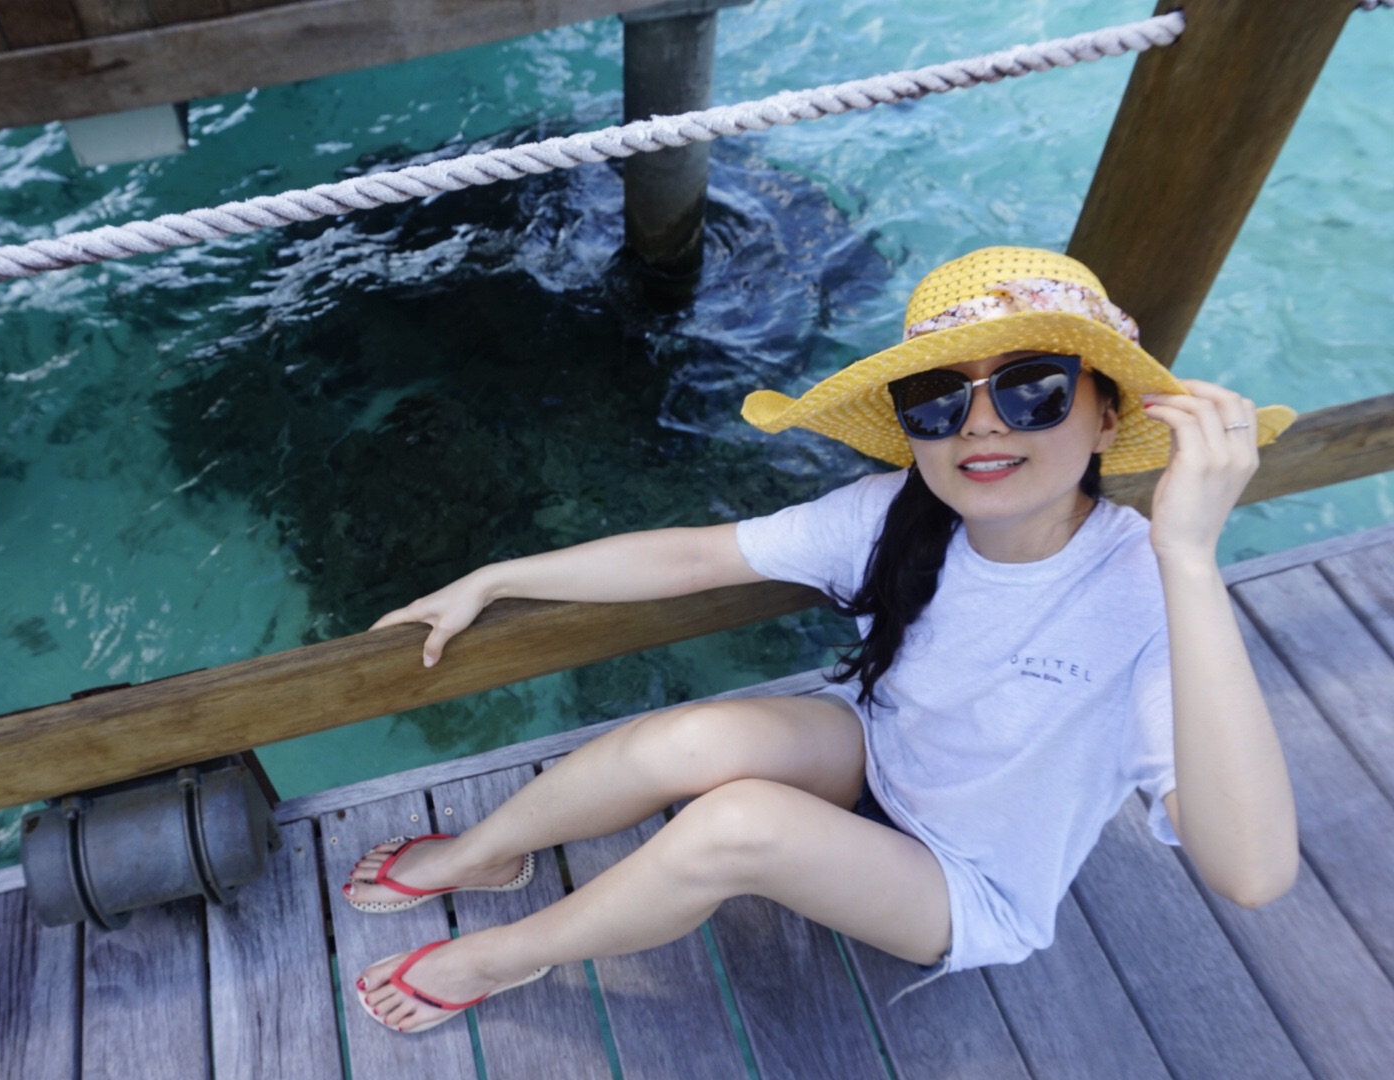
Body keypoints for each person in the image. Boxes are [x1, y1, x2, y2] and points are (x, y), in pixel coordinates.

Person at [348, 246, 1301, 1034]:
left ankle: (500, 959)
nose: (979, 424)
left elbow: (1252, 873)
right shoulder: (898, 510)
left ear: (1107, 417)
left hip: (965, 885)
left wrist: (1188, 556)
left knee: (734, 826)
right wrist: (497, 577)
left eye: (1033, 390)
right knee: (686, 740)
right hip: (876, 755)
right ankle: (480, 855)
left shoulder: (1149, 589)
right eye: (938, 398)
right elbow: (694, 557)